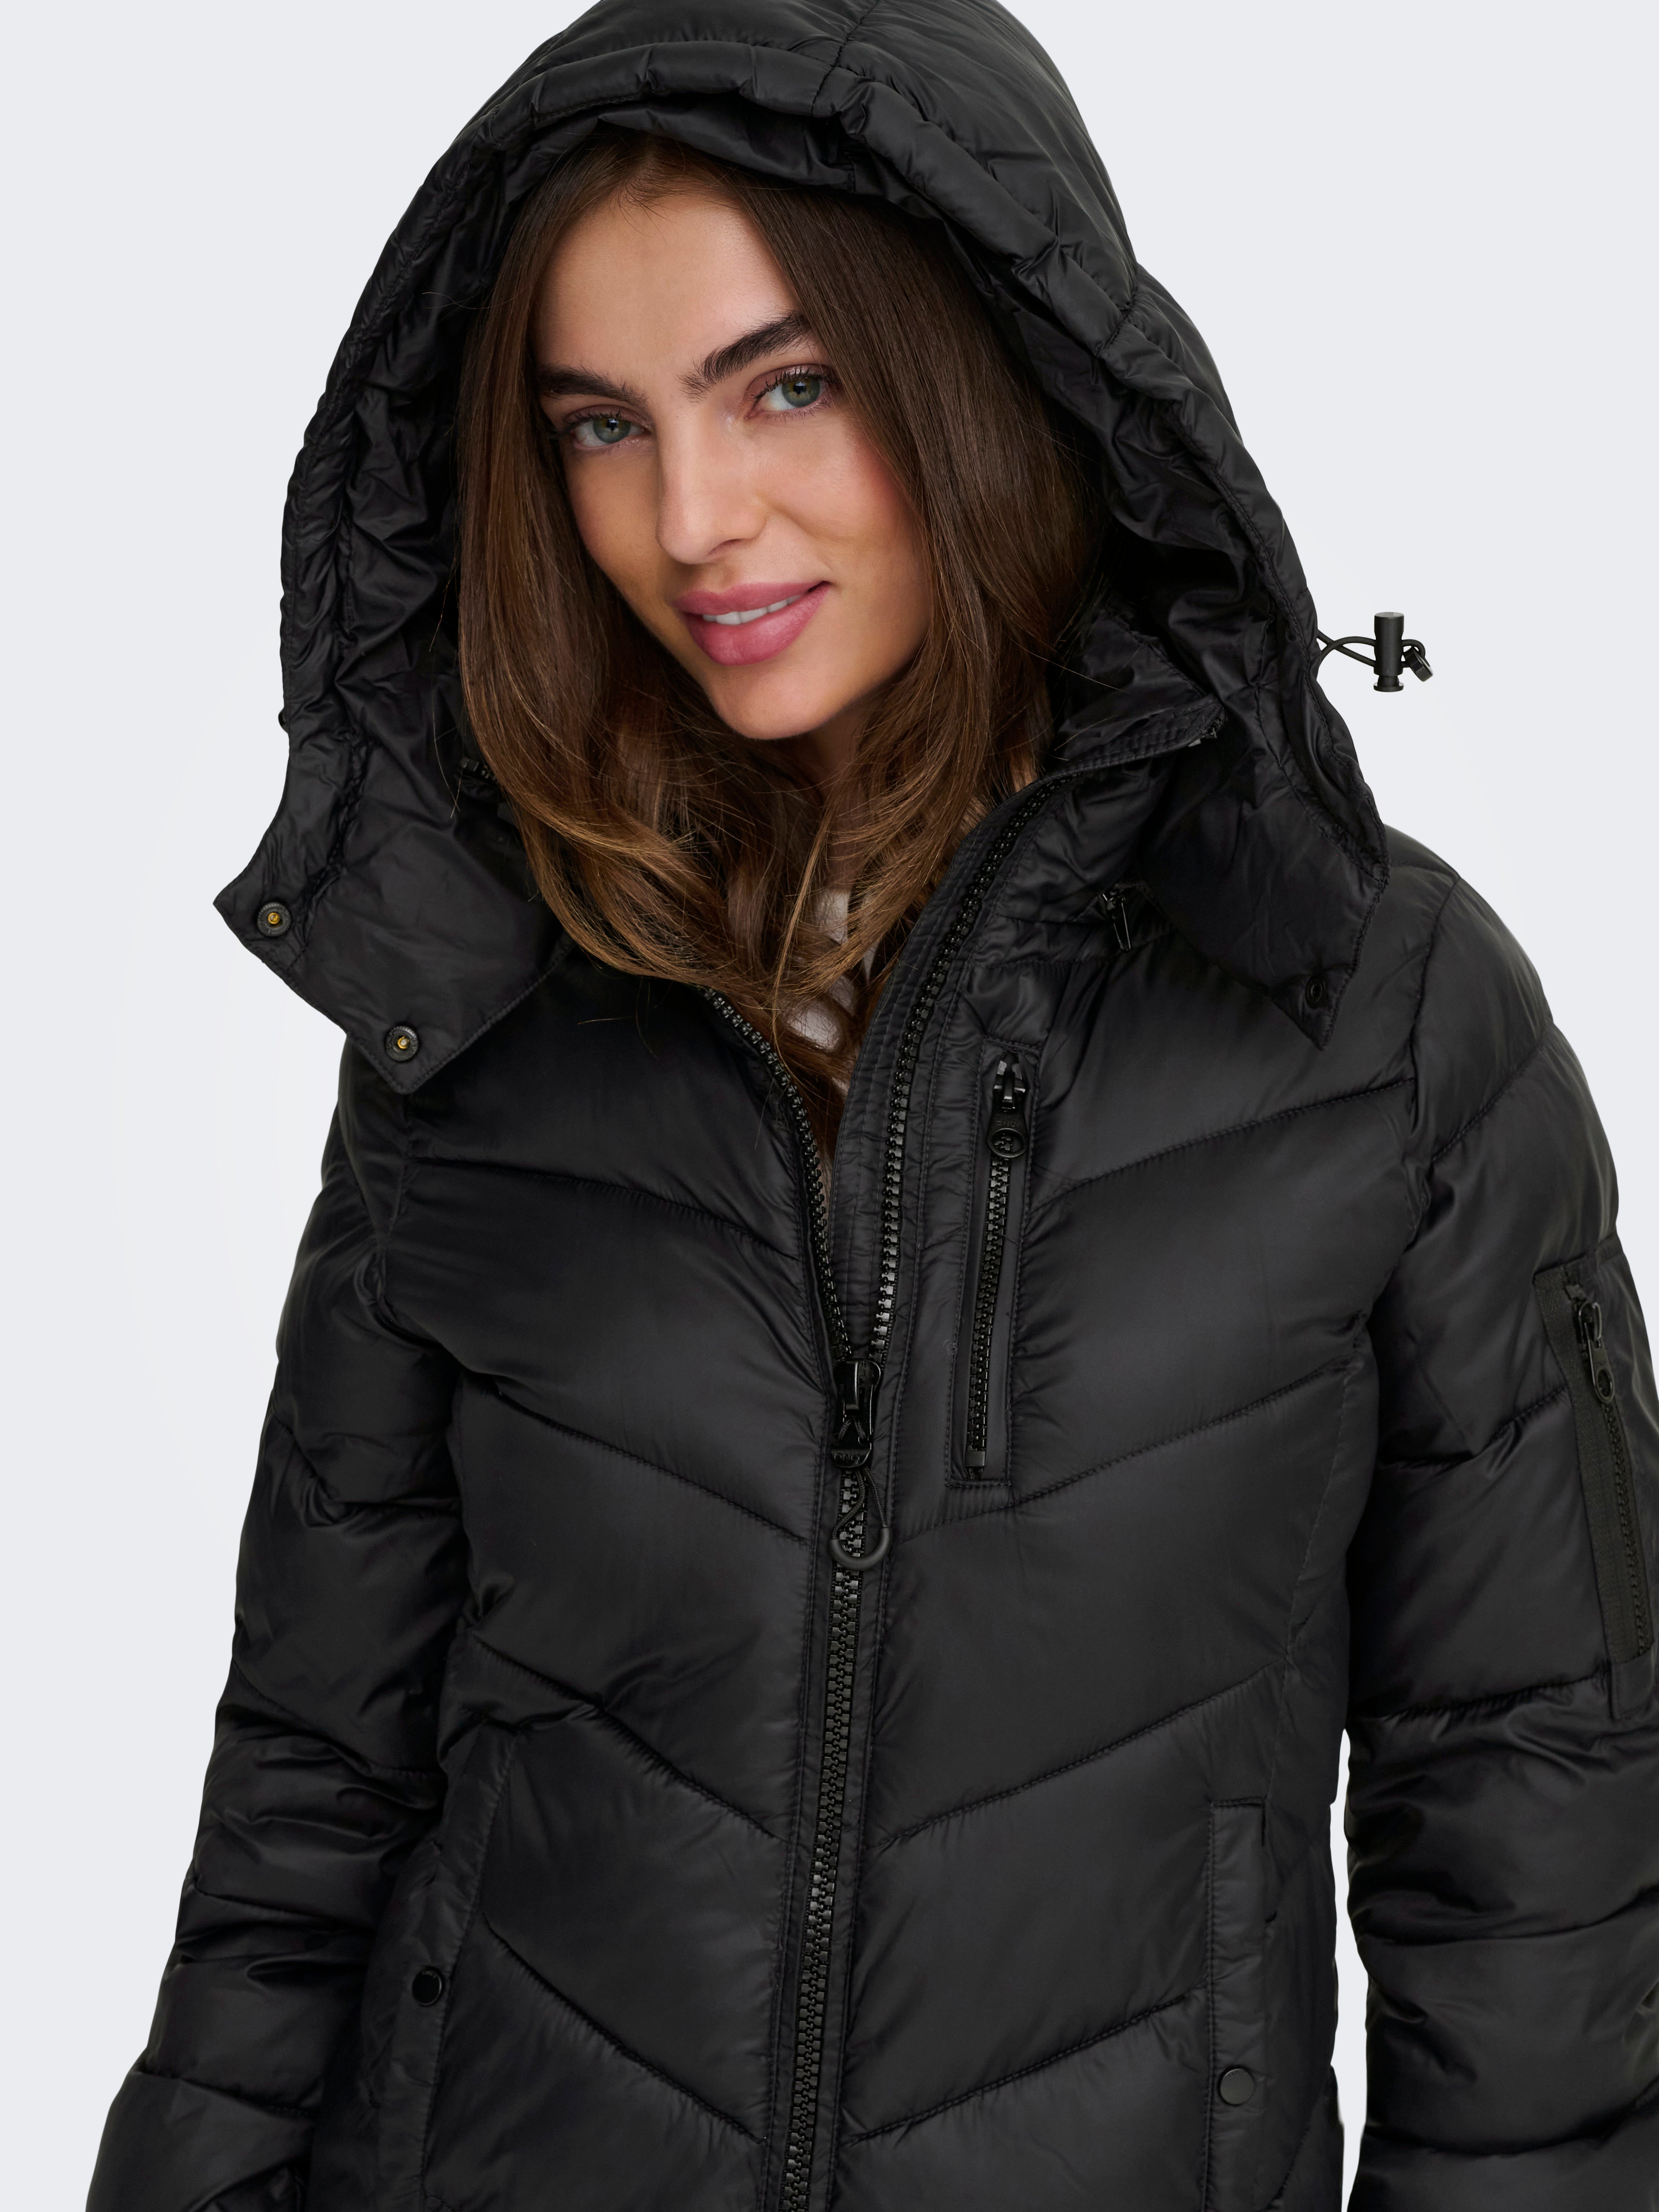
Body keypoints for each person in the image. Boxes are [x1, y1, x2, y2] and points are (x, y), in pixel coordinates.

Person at [88, 0, 1659, 2206]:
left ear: (994, 368)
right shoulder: (495, 999)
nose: (690, 520)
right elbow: (308, 1785)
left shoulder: (1377, 1014)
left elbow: (1546, 1829)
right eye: (601, 425)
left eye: (786, 386)